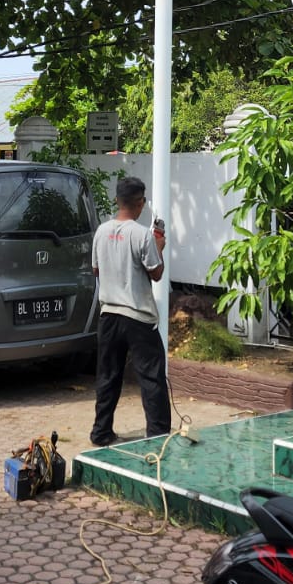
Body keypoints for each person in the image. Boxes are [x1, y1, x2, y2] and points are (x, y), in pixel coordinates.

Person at [90, 175, 172, 446]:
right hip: (137, 317)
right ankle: (158, 437)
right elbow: (156, 273)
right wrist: (158, 247)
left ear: (117, 200)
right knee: (151, 377)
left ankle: (101, 432)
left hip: (109, 315)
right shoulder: (142, 235)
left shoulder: (101, 231)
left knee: (108, 375)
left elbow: (96, 270)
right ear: (140, 203)